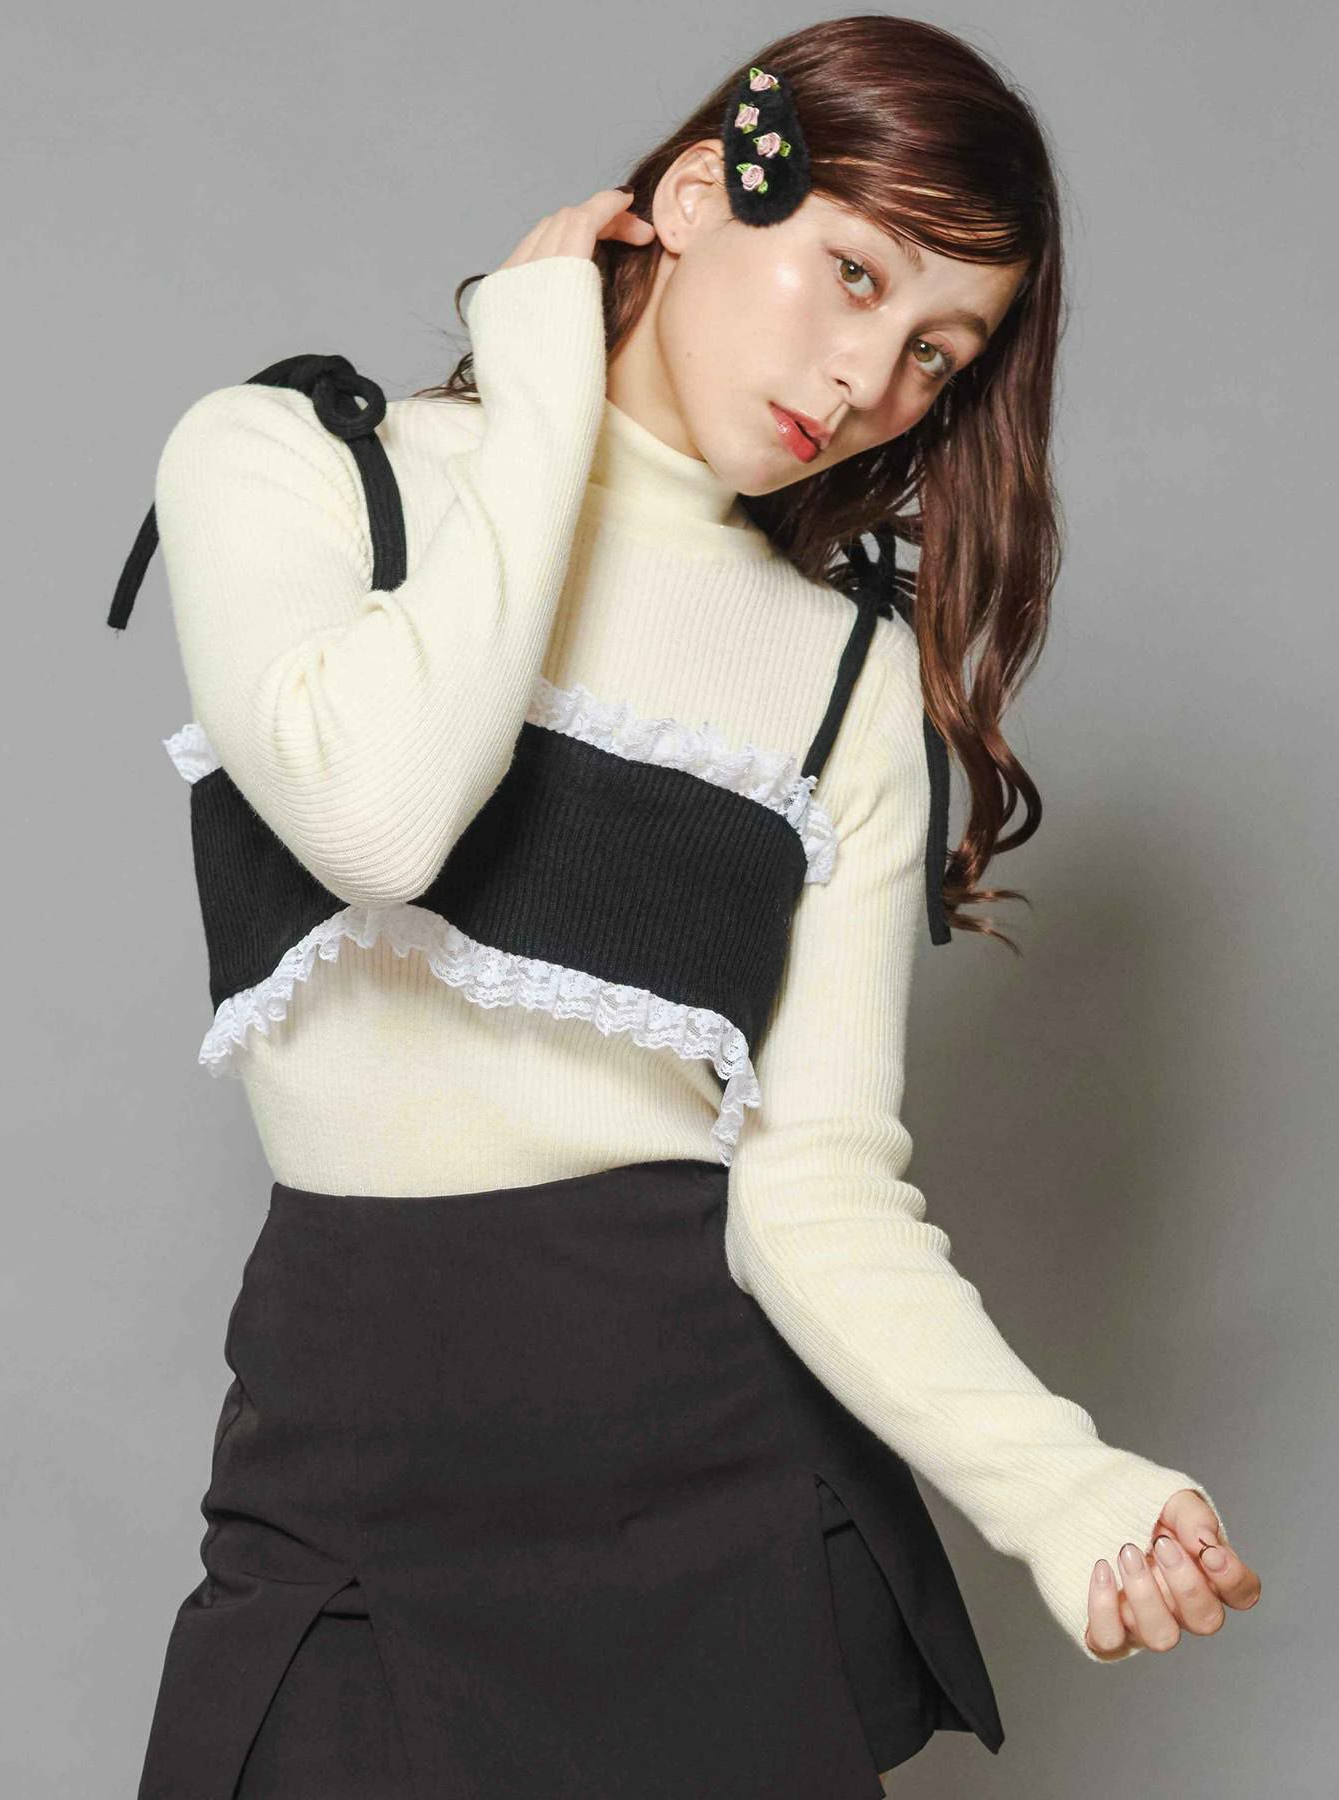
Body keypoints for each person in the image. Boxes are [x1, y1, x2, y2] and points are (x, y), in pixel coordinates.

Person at [120, 18, 1257, 1799]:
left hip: (714, 1507)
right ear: (701, 194)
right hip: (349, 1499)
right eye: (855, 273)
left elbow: (817, 1184)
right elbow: (377, 820)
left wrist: (1065, 1489)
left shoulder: (843, 683)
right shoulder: (301, 467)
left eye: (937, 352)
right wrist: (545, 393)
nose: (868, 378)